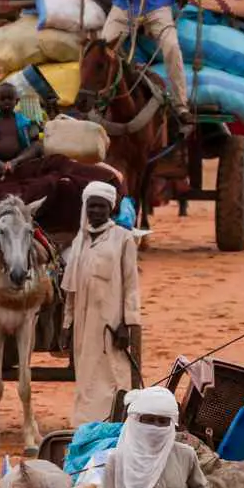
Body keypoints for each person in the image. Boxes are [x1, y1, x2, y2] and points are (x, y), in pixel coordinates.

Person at [62, 181, 142, 424]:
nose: (96, 211)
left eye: (101, 206)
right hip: (83, 324)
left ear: (110, 208)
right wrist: (67, 324)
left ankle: (114, 423)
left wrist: (127, 323)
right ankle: (85, 426)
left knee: (112, 375)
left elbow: (131, 285)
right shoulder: (79, 241)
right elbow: (71, 291)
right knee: (86, 376)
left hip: (111, 322)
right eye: (92, 206)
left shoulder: (123, 238)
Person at [101, 0, 189, 111]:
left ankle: (180, 105)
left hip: (157, 2)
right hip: (125, 3)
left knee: (171, 47)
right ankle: (102, 100)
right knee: (104, 47)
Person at [0, 81, 44, 176]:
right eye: (2, 99)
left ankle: (13, 163)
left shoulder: (24, 121)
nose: (6, 101)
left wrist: (35, 130)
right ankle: (0, 165)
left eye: (10, 98)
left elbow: (33, 134)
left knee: (37, 145)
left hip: (18, 156)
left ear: (17, 101)